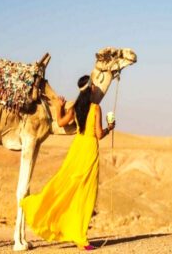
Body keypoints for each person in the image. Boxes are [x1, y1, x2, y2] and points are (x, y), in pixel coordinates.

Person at [20, 75, 115, 251]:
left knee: (66, 186)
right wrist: (110, 127)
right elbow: (99, 134)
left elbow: (61, 122)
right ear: (91, 89)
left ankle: (75, 232)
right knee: (85, 194)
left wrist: (59, 107)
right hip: (88, 150)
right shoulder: (96, 108)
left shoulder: (75, 107)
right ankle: (81, 237)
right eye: (93, 85)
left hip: (76, 148)